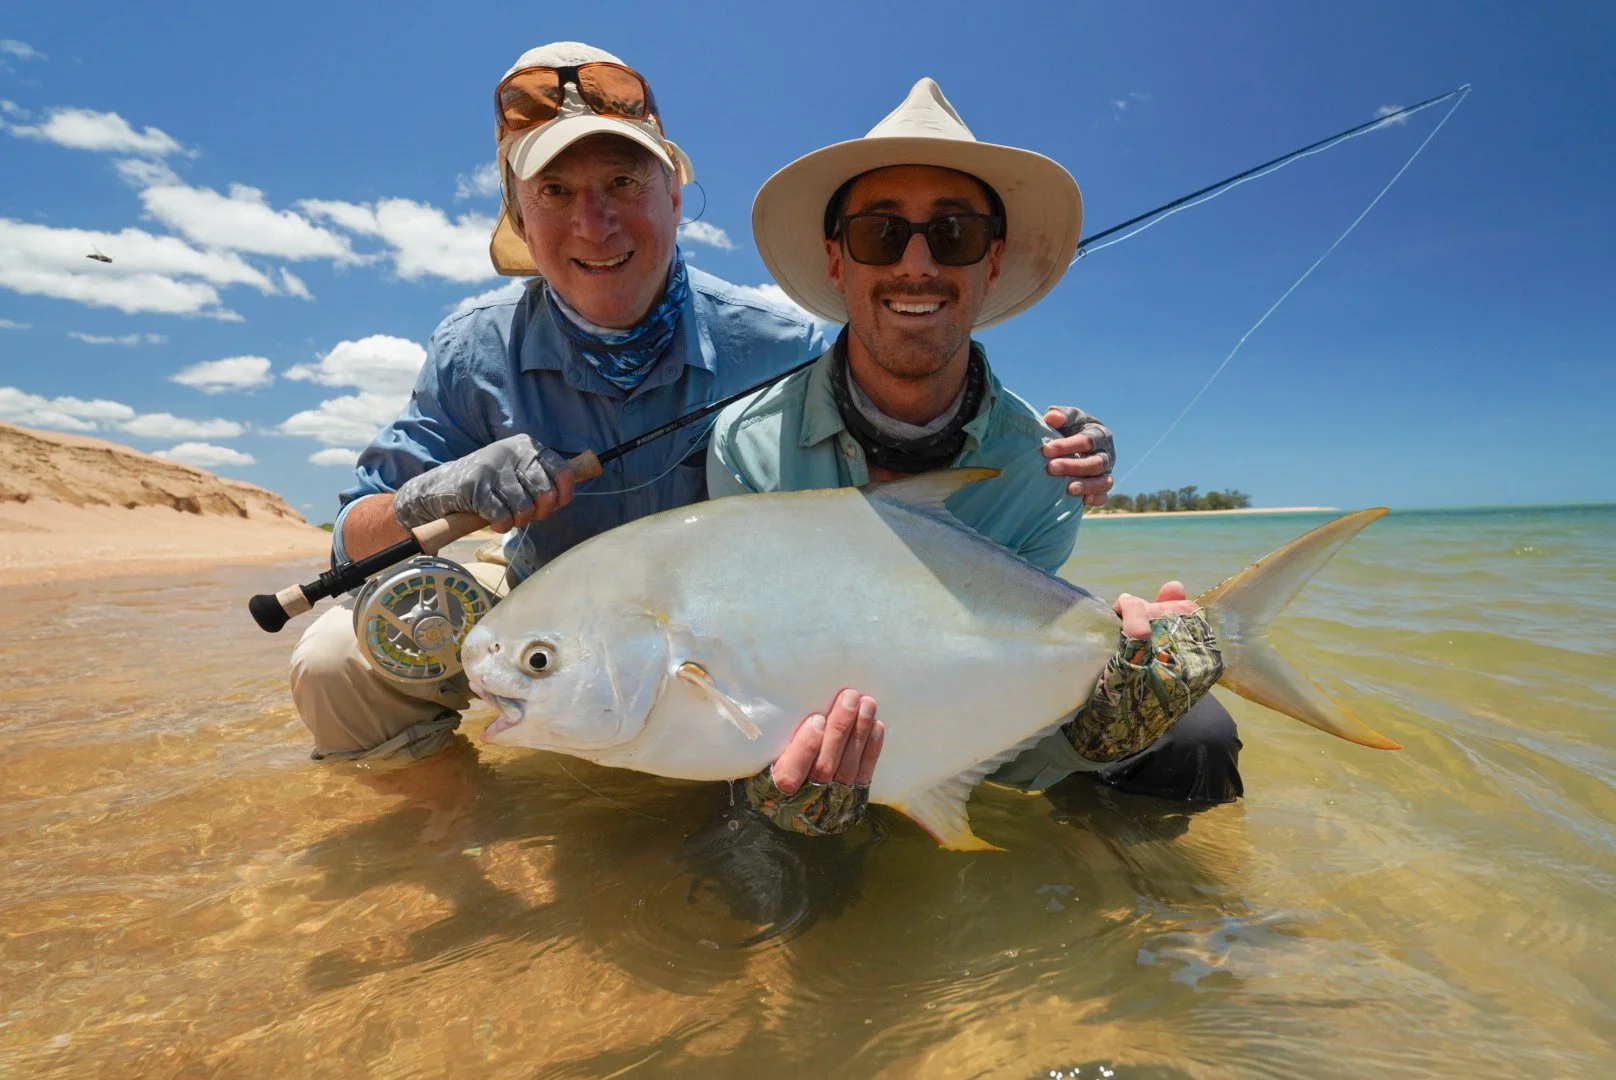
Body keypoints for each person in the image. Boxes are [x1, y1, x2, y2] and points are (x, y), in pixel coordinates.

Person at [288, 43, 1115, 770]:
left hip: (725, 650)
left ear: (674, 195)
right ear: (520, 217)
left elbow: (906, 389)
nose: (594, 223)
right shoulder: (474, 348)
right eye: (555, 190)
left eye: (622, 182)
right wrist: (436, 494)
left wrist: (1049, 447)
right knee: (333, 662)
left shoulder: (786, 345)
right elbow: (351, 536)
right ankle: (448, 840)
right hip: (547, 616)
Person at [707, 78, 1243, 837]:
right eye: (879, 234)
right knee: (769, 843)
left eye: (952, 233)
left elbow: (1011, 672)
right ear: (836, 259)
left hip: (974, 712)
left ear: (990, 262)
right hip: (802, 731)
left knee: (1195, 736)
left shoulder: (1046, 471)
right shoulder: (747, 445)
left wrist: (1106, 714)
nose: (916, 264)